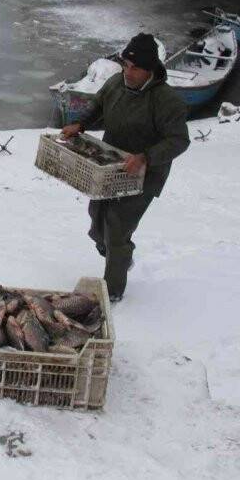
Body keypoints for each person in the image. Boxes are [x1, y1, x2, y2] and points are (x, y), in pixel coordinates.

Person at [60, 33, 190, 302]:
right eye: (125, 66)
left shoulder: (167, 101)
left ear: (150, 70)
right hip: (110, 167)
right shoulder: (117, 82)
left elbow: (179, 140)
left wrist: (145, 157)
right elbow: (98, 104)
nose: (128, 73)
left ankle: (112, 293)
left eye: (135, 68)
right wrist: (80, 124)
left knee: (117, 229)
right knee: (97, 221)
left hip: (144, 175)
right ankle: (118, 256)